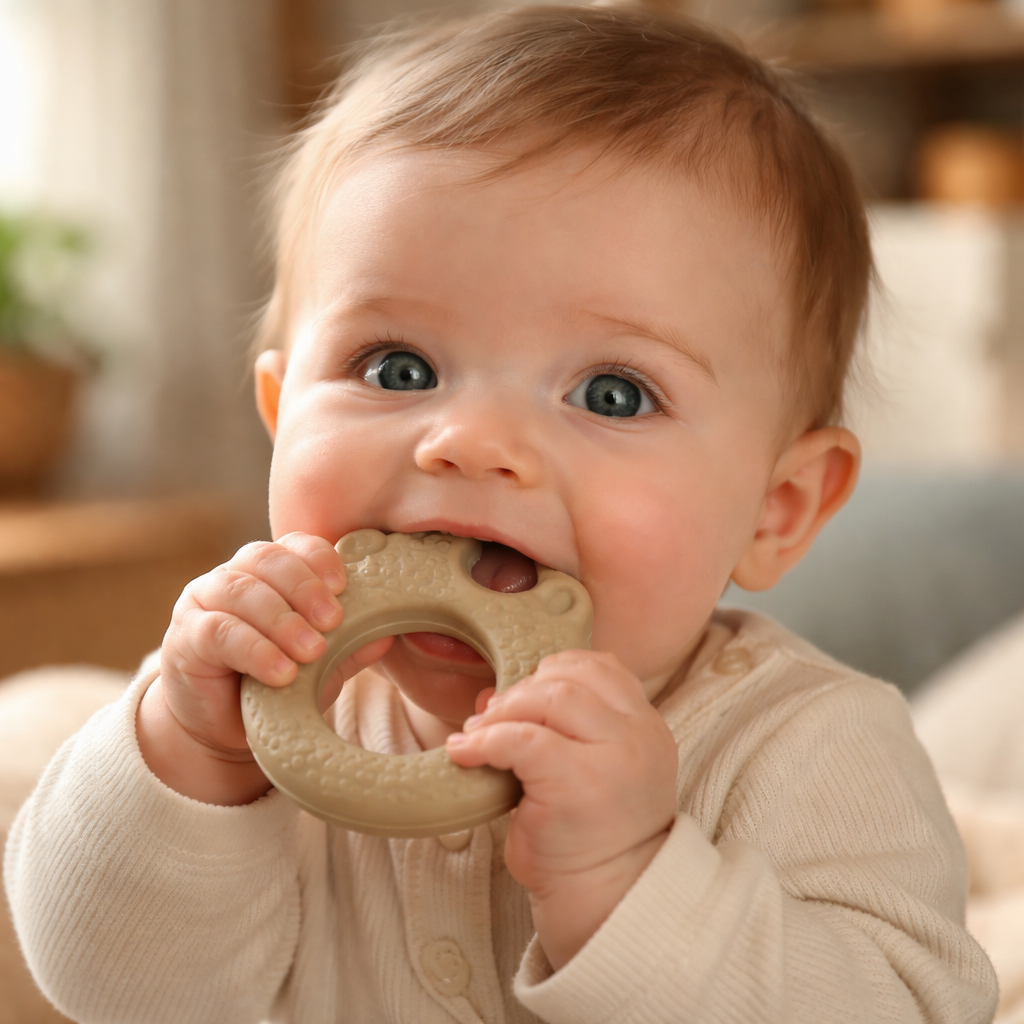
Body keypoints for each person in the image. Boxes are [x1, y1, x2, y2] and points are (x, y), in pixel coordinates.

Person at [4, 5, 999, 1022]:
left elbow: (912, 1006)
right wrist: (182, 761)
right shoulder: (260, 702)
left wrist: (633, 884)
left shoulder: (811, 747)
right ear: (279, 415)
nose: (468, 441)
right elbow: (112, 987)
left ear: (777, 507)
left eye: (611, 393)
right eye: (397, 368)